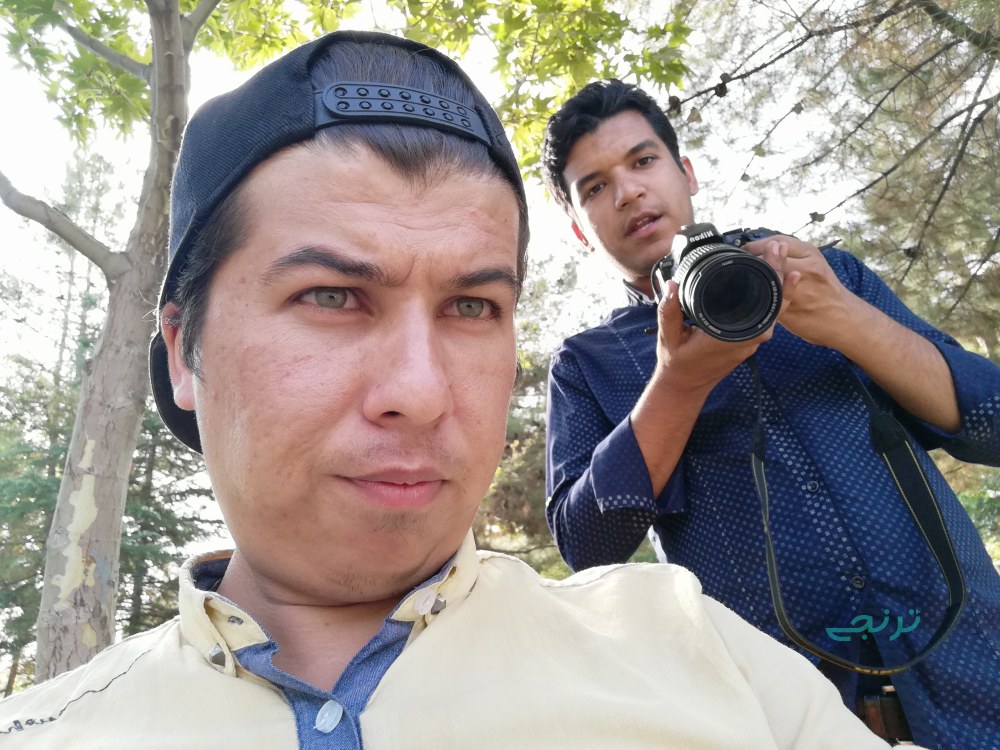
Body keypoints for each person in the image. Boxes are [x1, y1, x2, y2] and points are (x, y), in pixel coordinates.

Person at [0, 32, 901, 750]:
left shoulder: (699, 651)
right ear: (183, 353)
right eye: (331, 296)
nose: (421, 393)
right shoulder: (42, 730)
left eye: (472, 306)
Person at [541, 78, 1000, 749]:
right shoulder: (587, 363)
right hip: (781, 716)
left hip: (976, 668)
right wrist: (677, 385)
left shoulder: (827, 277)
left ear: (686, 172)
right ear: (581, 228)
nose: (629, 192)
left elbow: (992, 426)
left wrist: (845, 319)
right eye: (595, 187)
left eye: (643, 161)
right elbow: (588, 545)